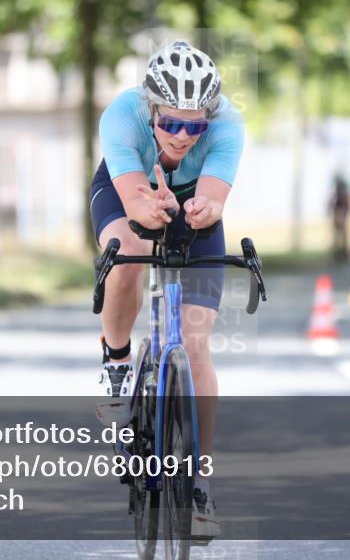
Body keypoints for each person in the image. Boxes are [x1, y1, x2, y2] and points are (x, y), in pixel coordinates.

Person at [88, 40, 243, 538]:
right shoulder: (122, 116)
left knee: (196, 347)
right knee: (128, 253)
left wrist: (203, 210)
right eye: (171, 123)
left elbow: (214, 200)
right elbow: (137, 206)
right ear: (151, 108)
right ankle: (116, 363)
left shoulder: (228, 125)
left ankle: (199, 484)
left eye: (194, 126)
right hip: (126, 191)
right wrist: (150, 208)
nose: (182, 136)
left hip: (191, 202)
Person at [329, 173, 350, 263]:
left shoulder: (343, 195)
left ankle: (343, 254)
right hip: (338, 217)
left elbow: (346, 206)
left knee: (342, 236)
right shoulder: (337, 195)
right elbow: (331, 204)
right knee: (338, 237)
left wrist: (342, 215)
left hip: (342, 216)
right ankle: (338, 254)